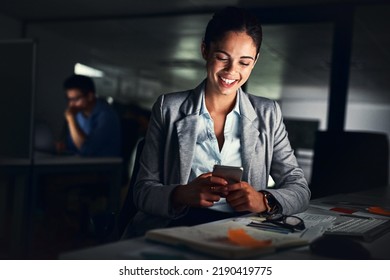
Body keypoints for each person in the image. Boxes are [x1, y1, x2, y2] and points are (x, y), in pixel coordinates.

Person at [125, 7, 310, 237]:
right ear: (205, 50)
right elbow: (142, 192)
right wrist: (182, 194)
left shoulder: (268, 113)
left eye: (244, 62)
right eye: (222, 57)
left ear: (255, 61)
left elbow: (299, 188)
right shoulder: (168, 108)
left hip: (243, 229)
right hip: (179, 225)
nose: (232, 71)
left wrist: (263, 200)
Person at [58, 74, 121, 157]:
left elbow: (86, 150)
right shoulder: (78, 113)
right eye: (69, 99)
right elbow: (72, 146)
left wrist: (71, 120)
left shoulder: (106, 116)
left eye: (75, 99)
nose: (71, 104)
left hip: (103, 166)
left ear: (90, 96)